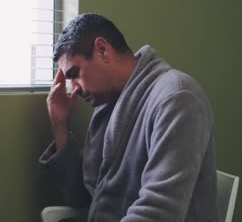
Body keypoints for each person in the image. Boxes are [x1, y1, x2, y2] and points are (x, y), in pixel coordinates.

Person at [39, 13, 217, 222]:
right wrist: (60, 124)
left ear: (102, 50)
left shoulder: (177, 98)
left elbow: (158, 213)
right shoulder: (109, 105)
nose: (74, 88)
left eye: (74, 73)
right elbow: (84, 197)